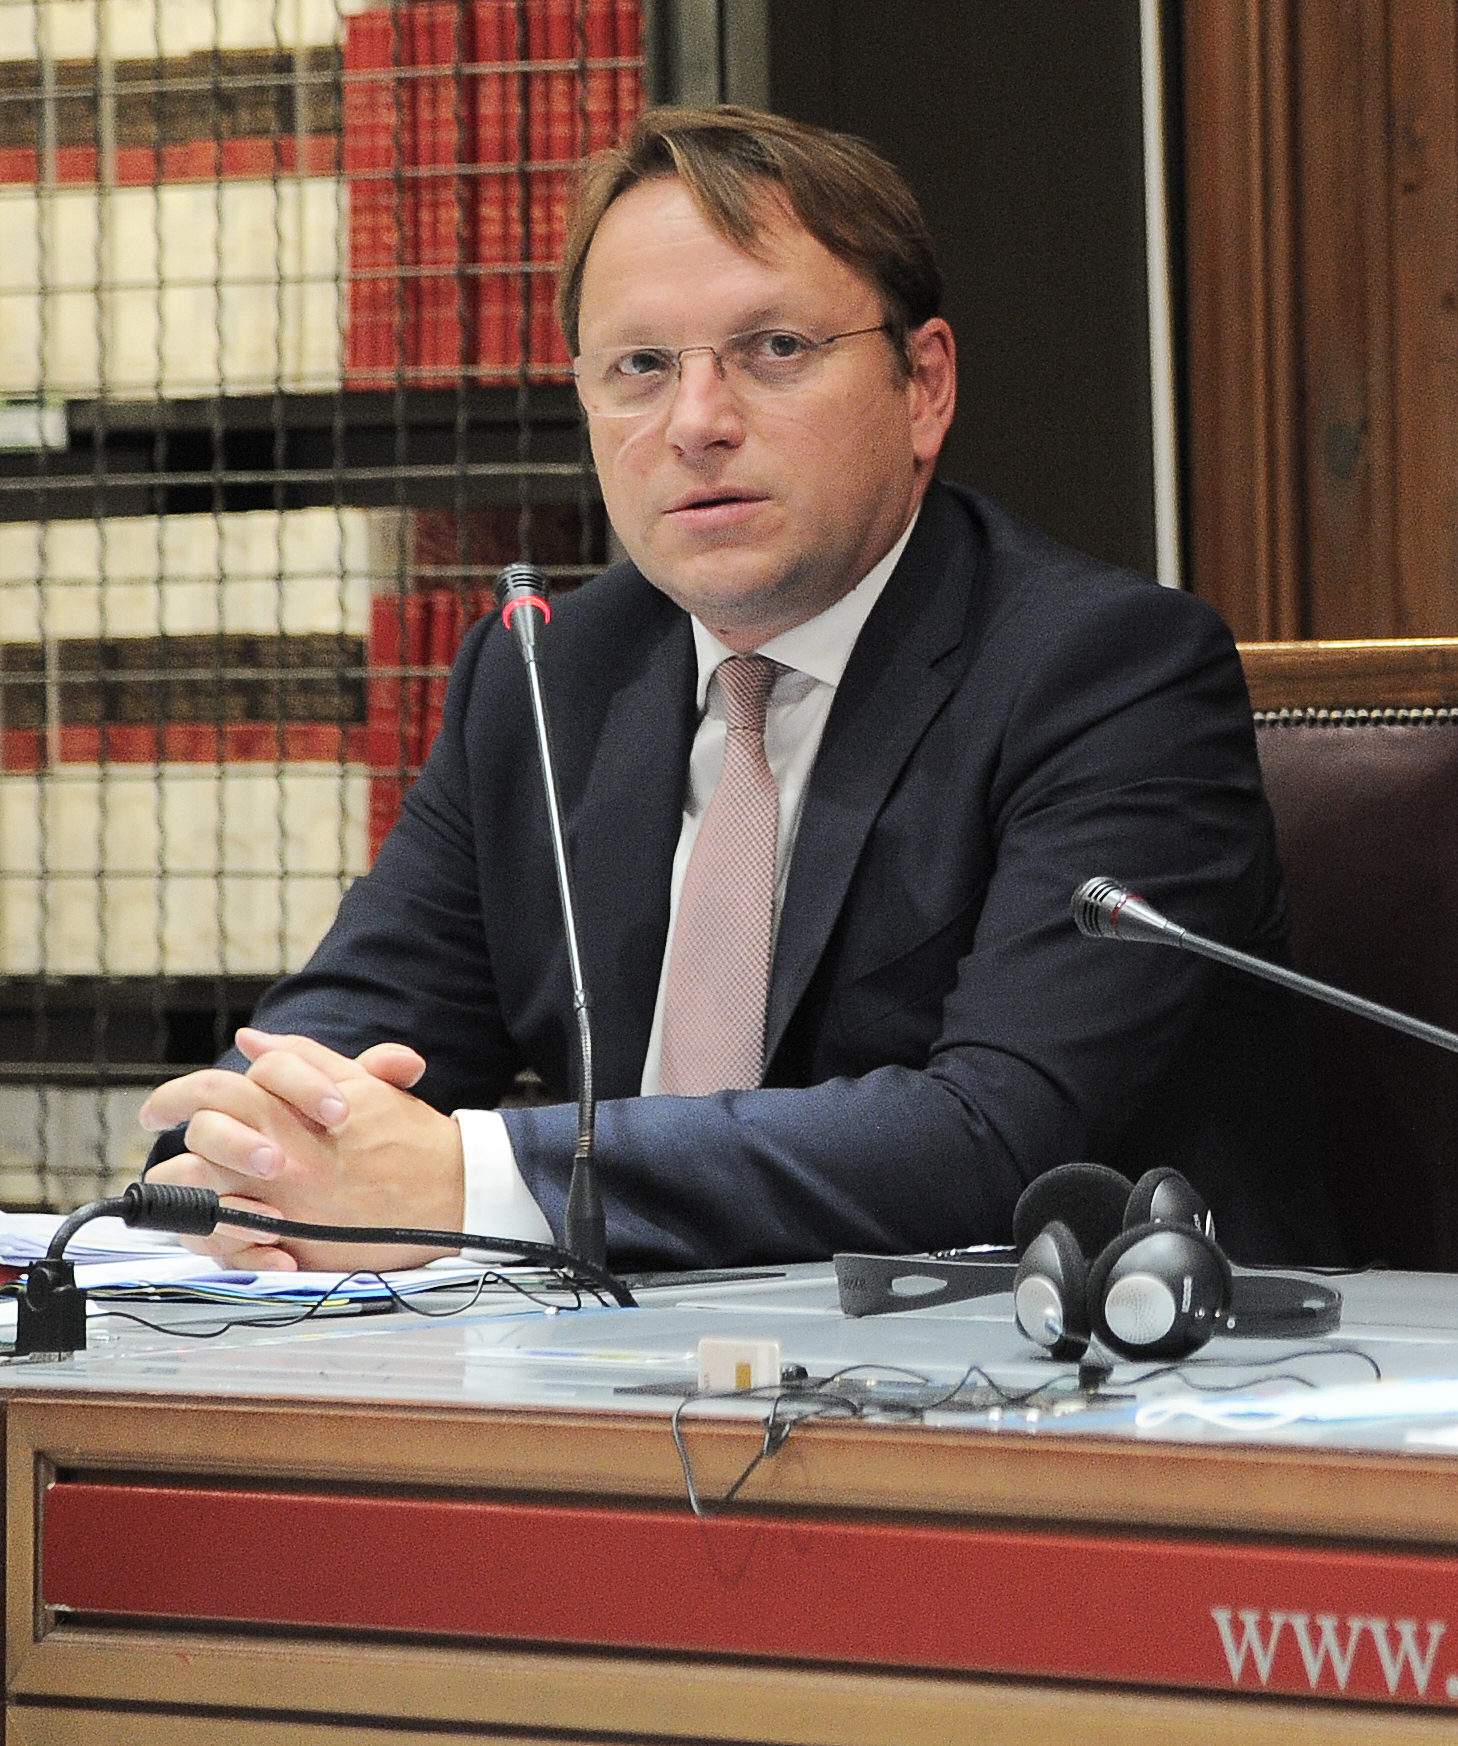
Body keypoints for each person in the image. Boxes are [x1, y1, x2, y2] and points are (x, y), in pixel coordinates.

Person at [136, 107, 1313, 1274]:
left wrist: (474, 1180)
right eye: (640, 367)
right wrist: (256, 1153)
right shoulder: (541, 672)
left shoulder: (1110, 675)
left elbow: (997, 1135)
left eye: (774, 350)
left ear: (924, 385)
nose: (697, 423)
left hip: (1057, 1396)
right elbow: (350, 1029)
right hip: (606, 1385)